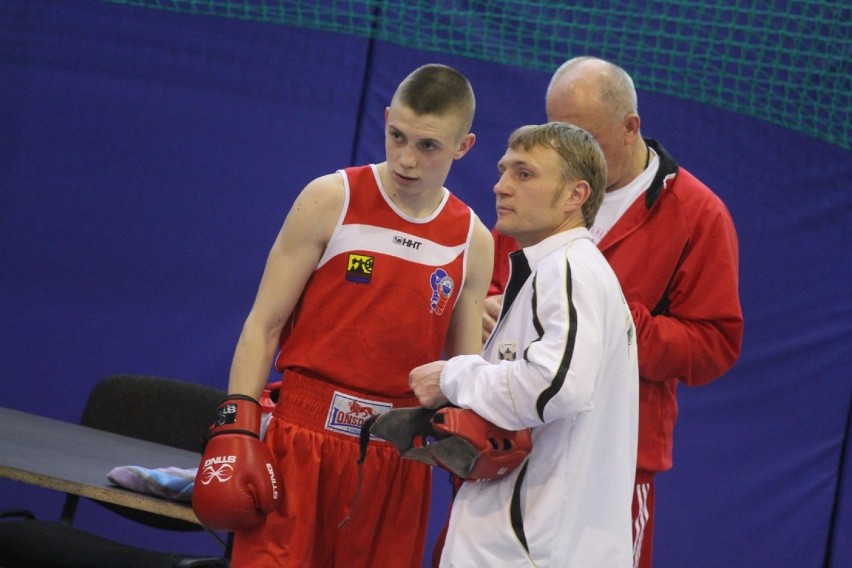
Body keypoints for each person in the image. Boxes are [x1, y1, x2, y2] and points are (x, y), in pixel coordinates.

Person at [193, 63, 494, 567]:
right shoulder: (330, 198)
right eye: (397, 135)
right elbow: (263, 324)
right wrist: (237, 427)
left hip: (396, 461)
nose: (406, 159)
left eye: (428, 146)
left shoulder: (472, 239)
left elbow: (463, 373)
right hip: (299, 443)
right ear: (385, 119)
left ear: (462, 147)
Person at [483, 56, 744, 567]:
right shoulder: (534, 190)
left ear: (631, 128)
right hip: (509, 449)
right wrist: (490, 313)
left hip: (614, 465)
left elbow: (715, 346)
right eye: (556, 134)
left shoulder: (697, 214)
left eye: (586, 137)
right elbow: (492, 289)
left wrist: (616, 327)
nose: (572, 153)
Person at [410, 121, 639, 566]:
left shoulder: (568, 270)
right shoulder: (558, 269)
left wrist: (454, 377)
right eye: (502, 171)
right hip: (528, 542)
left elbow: (556, 386)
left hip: (531, 549)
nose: (501, 187)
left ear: (576, 195)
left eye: (524, 174)